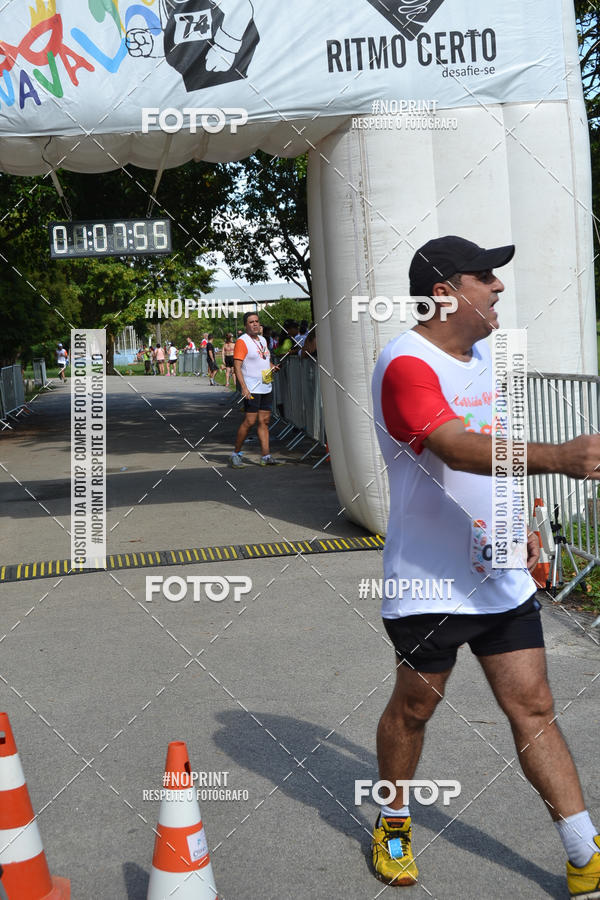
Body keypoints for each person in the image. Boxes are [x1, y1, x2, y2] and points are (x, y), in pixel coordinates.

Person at [370, 235, 600, 895]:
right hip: (429, 582)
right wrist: (560, 457)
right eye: (485, 277)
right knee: (416, 707)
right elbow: (454, 447)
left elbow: (497, 448)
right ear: (445, 291)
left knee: (534, 704)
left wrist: (524, 520)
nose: (498, 287)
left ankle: (583, 850)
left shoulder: (487, 360)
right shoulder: (405, 363)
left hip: (498, 573)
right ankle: (393, 821)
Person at [231, 312, 280, 467]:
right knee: (250, 421)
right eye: (251, 322)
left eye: (257, 321)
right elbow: (237, 367)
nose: (255, 324)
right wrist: (243, 387)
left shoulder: (263, 340)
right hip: (252, 388)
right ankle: (236, 454)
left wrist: (273, 367)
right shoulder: (242, 341)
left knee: (264, 421)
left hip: (266, 386)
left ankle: (266, 456)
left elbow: (265, 360)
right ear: (246, 325)